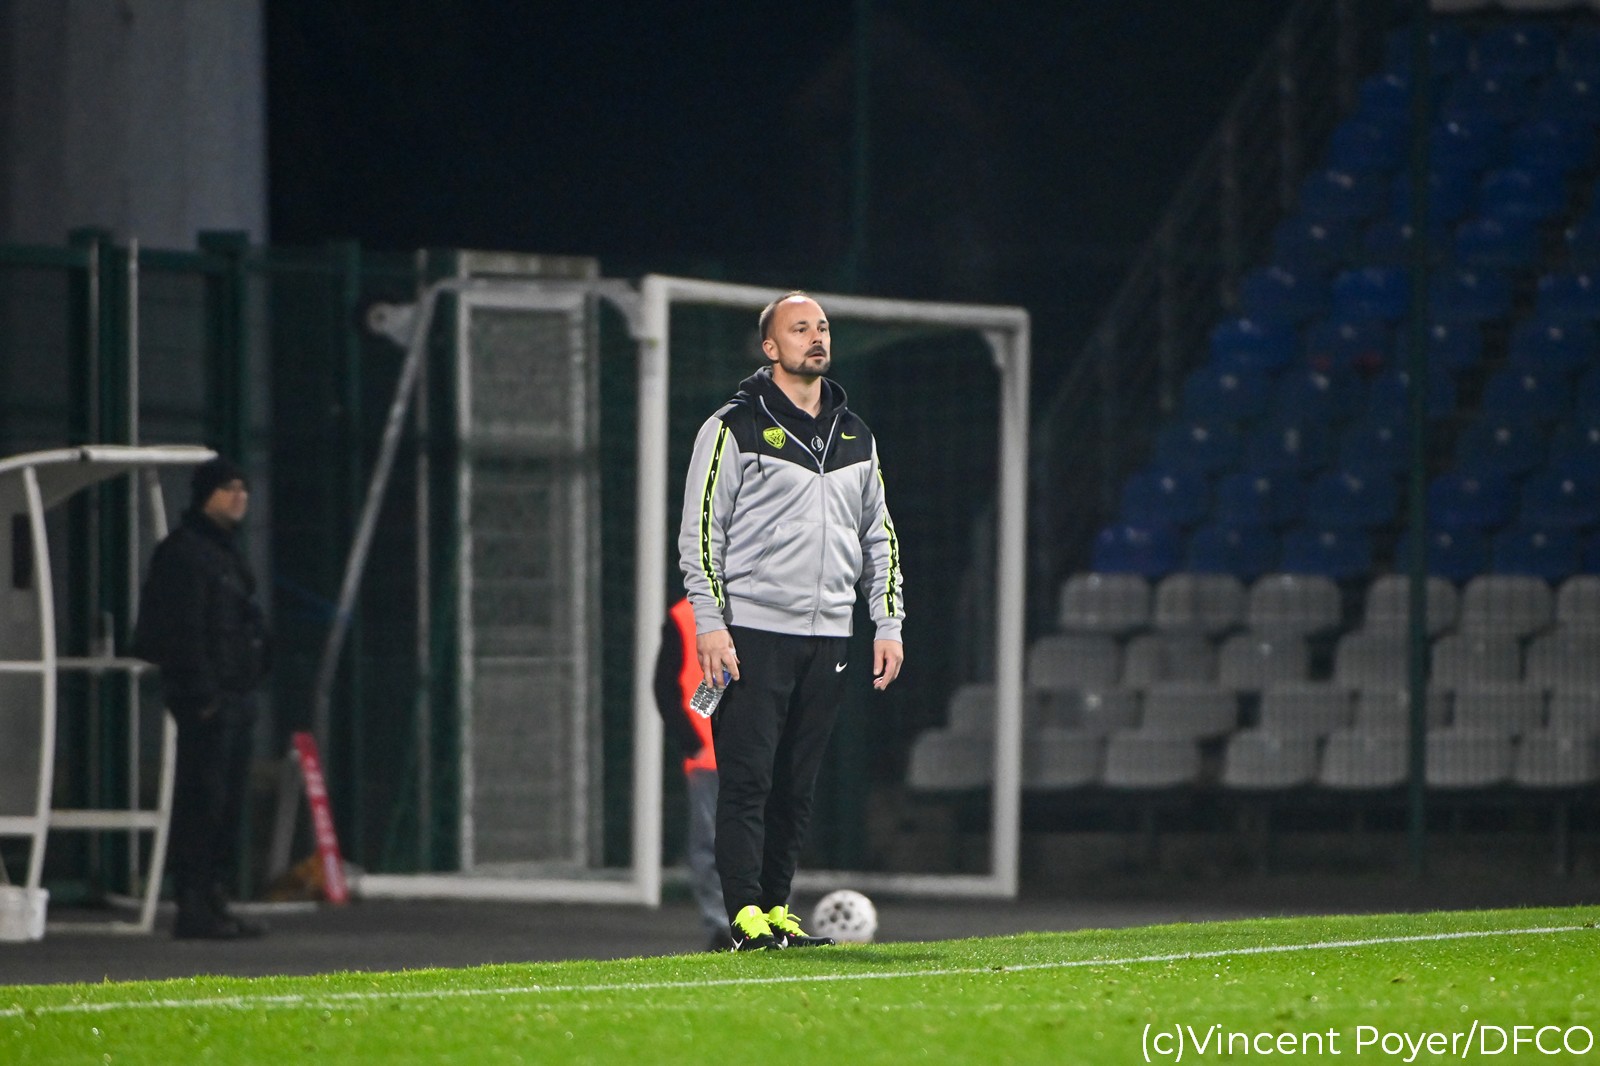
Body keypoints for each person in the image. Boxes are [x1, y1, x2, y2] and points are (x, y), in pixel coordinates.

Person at [678, 290, 904, 952]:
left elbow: (879, 535)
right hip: (752, 631)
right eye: (800, 328)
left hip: (830, 634)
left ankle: (776, 911)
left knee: (796, 788)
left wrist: (887, 623)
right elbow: (700, 533)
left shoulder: (856, 434)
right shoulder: (733, 426)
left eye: (822, 327)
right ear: (771, 347)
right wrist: (711, 623)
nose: (816, 336)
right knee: (747, 780)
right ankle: (744, 916)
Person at [133, 456, 271, 940]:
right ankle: (193, 902)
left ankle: (214, 897)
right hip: (209, 699)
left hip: (234, 694)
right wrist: (203, 694)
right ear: (205, 494)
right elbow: (182, 628)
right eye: (229, 488)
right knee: (202, 800)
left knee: (226, 803)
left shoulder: (224, 552)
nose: (239, 497)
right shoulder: (185, 553)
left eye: (243, 488)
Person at [653, 595, 730, 952]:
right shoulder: (684, 617)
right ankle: (721, 927)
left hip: (760, 755)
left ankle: (768, 921)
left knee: (767, 840)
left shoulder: (765, 603)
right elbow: (664, 687)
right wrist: (691, 742)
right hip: (708, 759)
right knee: (710, 846)